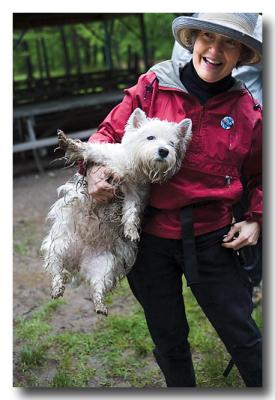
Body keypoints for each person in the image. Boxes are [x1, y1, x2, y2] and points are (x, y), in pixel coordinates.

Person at [84, 13, 262, 387]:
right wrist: (94, 175)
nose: (215, 51)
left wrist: (257, 218)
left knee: (244, 337)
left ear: (242, 54)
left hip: (215, 237)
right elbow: (106, 135)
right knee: (169, 339)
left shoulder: (247, 109)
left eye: (229, 43)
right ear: (192, 40)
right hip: (148, 236)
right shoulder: (152, 87)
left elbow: (264, 172)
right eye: (208, 38)